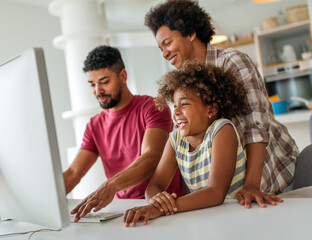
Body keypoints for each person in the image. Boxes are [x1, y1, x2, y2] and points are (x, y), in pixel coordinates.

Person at [144, 0, 299, 208]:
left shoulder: (233, 62)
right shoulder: (183, 83)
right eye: (160, 48)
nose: (164, 53)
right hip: (230, 195)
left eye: (168, 43)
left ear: (190, 33)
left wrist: (251, 185)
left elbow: (256, 127)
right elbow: (184, 138)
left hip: (270, 180)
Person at [64, 45, 185, 222]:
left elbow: (152, 156)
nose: (98, 91)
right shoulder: (94, 125)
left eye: (104, 82)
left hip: (163, 207)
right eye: (92, 84)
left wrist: (111, 185)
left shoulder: (152, 107)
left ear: (123, 76)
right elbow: (73, 172)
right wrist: (43, 202)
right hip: (124, 212)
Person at [124, 61, 249, 227]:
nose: (175, 112)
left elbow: (216, 193)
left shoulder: (222, 130)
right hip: (207, 219)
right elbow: (155, 185)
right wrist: (157, 201)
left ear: (211, 110)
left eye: (184, 104)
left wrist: (162, 209)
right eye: (174, 105)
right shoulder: (176, 139)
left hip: (238, 217)